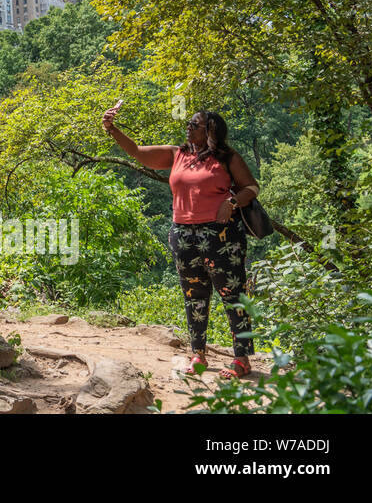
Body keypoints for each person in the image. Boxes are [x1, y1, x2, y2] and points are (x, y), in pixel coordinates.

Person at [102, 102, 259, 379]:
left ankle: (241, 359)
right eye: (188, 123)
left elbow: (252, 187)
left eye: (194, 125)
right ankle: (198, 354)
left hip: (222, 235)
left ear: (210, 131)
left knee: (233, 295)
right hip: (183, 235)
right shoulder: (178, 154)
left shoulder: (226, 157)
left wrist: (232, 202)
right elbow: (137, 152)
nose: (188, 127)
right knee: (193, 295)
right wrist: (112, 128)